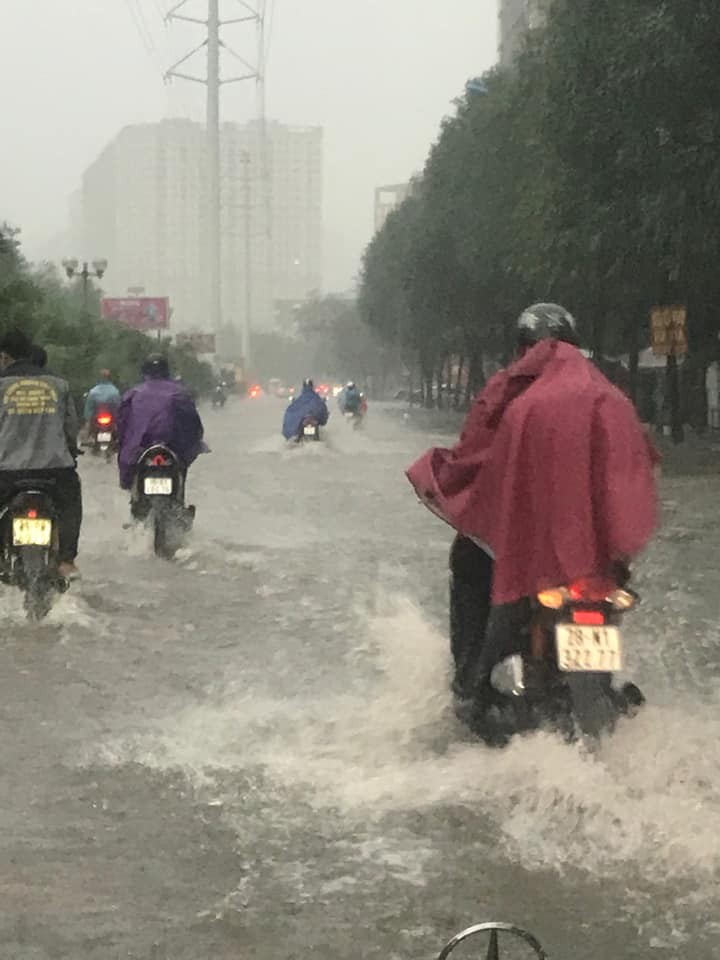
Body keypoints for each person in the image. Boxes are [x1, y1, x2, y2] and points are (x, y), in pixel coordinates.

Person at [406, 303, 659, 700]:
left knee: (468, 563)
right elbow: (635, 469)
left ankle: (471, 684)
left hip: (520, 557)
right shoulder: (610, 398)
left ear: (522, 347)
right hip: (591, 557)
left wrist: (438, 476)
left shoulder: (507, 393)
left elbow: (472, 458)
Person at [0, 329, 82, 579]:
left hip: (7, 473)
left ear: (4, 357)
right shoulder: (59, 384)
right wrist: (70, 452)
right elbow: (71, 429)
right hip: (54, 471)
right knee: (70, 503)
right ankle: (67, 561)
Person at [116, 353, 206, 493]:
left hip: (139, 447)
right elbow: (193, 423)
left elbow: (122, 425)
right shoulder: (180, 393)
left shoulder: (133, 393)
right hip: (173, 446)